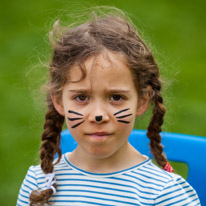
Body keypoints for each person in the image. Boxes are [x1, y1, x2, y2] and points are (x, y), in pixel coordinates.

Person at [17, 7, 200, 206]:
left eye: (115, 97)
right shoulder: (39, 184)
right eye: (81, 97)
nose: (98, 115)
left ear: (142, 101)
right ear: (59, 101)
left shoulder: (164, 194)